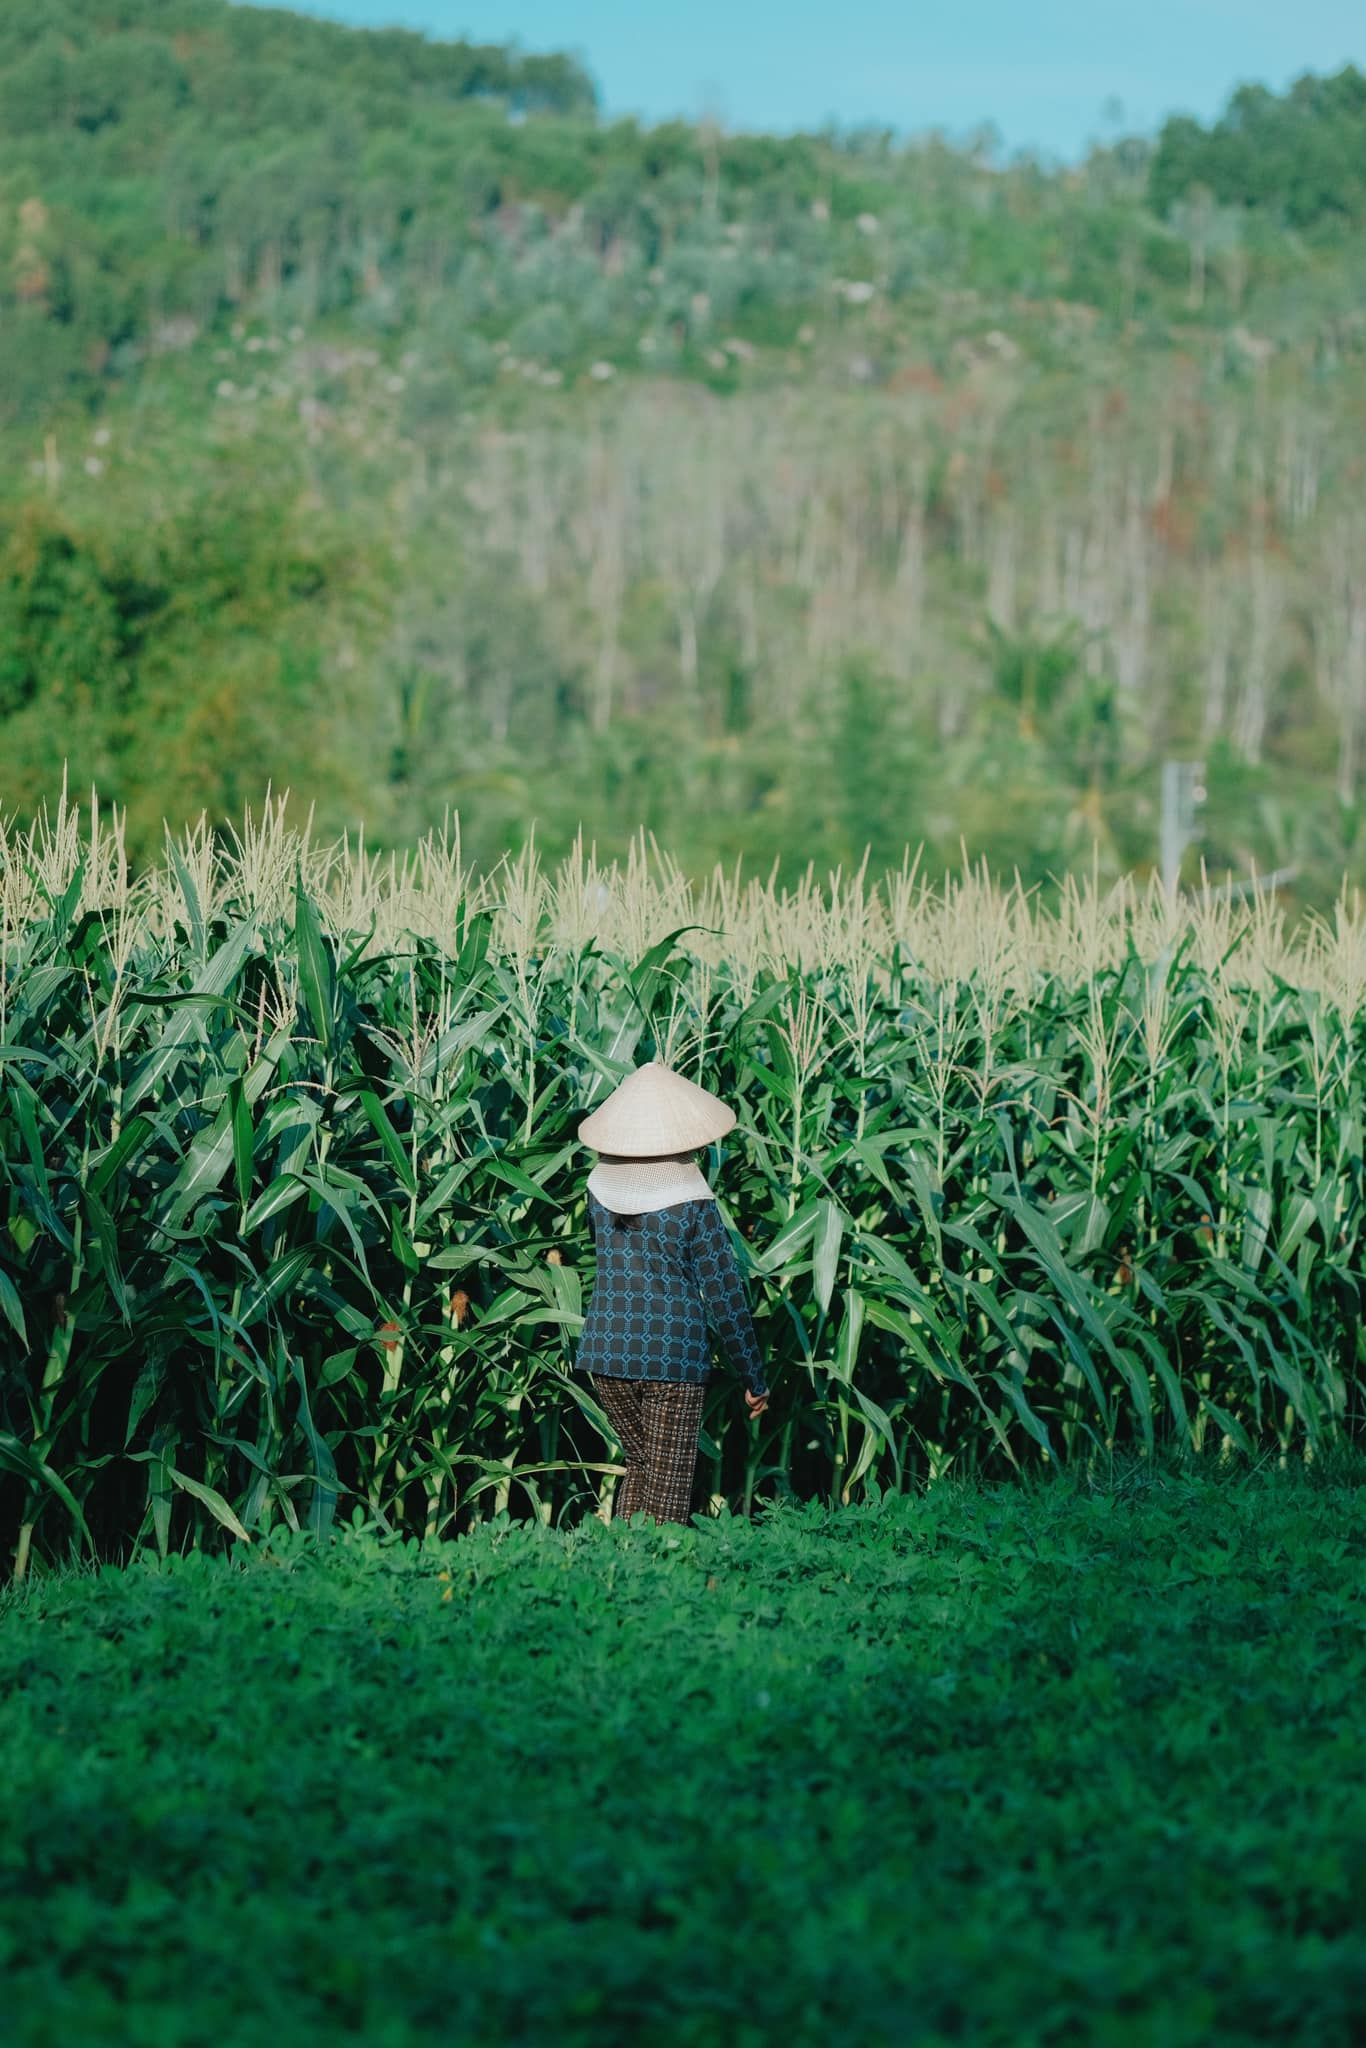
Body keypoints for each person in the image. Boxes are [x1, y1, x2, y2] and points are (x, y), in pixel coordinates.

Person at [574, 1060, 769, 1526]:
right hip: (672, 1360)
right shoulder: (692, 1201)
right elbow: (724, 1297)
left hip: (606, 1355)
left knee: (640, 1468)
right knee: (669, 1486)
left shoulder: (597, 1190)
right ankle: (660, 1582)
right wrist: (753, 1377)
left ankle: (619, 1571)